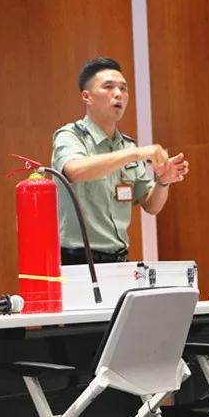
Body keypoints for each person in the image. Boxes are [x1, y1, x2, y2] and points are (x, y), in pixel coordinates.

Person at [51, 58, 189, 265]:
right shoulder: (71, 136)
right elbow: (74, 171)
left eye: (123, 89)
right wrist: (135, 154)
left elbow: (151, 205)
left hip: (119, 260)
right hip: (76, 260)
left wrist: (163, 181)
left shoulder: (127, 146)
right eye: (108, 87)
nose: (118, 94)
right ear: (87, 97)